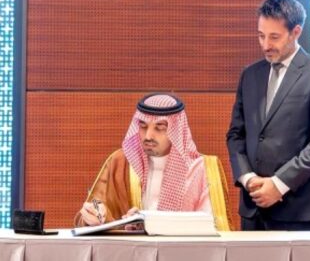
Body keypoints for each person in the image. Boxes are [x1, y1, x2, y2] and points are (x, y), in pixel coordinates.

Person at [226, 0, 310, 231]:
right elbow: (236, 134)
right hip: (253, 207)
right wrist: (248, 178)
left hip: (300, 210)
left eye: (274, 37)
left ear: (296, 32)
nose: (265, 45)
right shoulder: (250, 74)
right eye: (261, 35)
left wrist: (279, 184)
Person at [76, 93, 212, 227]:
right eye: (143, 126)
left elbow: (212, 226)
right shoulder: (121, 162)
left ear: (176, 131)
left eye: (159, 128)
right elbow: (91, 210)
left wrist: (149, 223)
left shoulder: (200, 169)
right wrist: (95, 216)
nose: (148, 136)